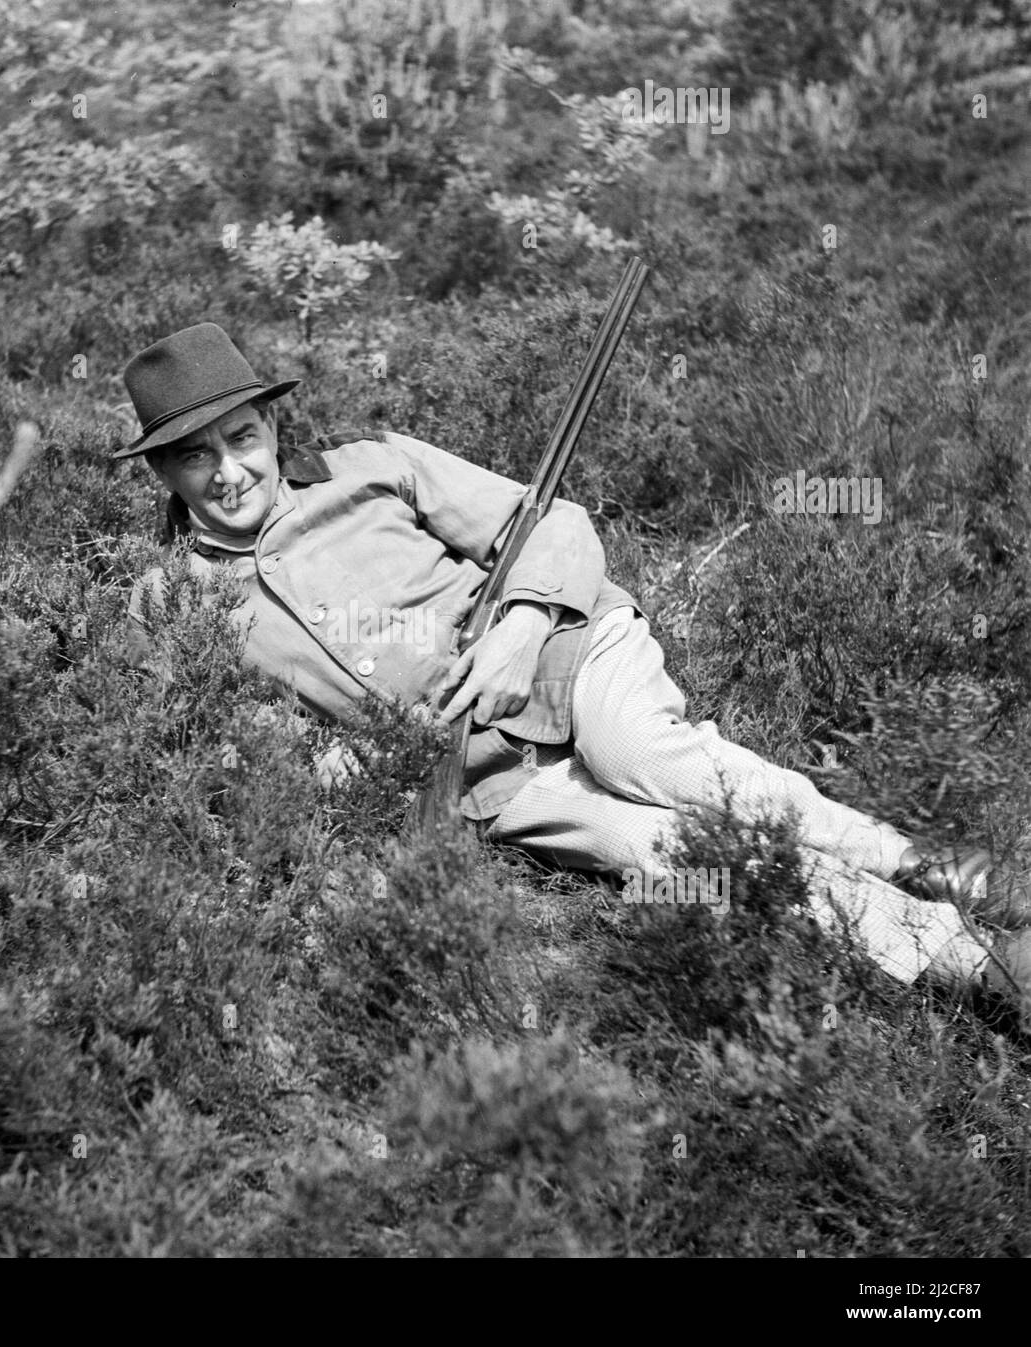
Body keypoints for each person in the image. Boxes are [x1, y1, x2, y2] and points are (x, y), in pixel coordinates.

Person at [115, 322, 1031, 1022]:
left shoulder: (374, 468)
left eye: (241, 437)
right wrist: (355, 765)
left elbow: (553, 522)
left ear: (271, 423)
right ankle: (961, 958)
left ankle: (927, 864)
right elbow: (233, 741)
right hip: (479, 777)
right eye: (197, 454)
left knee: (657, 760)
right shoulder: (170, 599)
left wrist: (518, 627)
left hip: (562, 653)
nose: (229, 471)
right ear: (163, 469)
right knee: (665, 851)